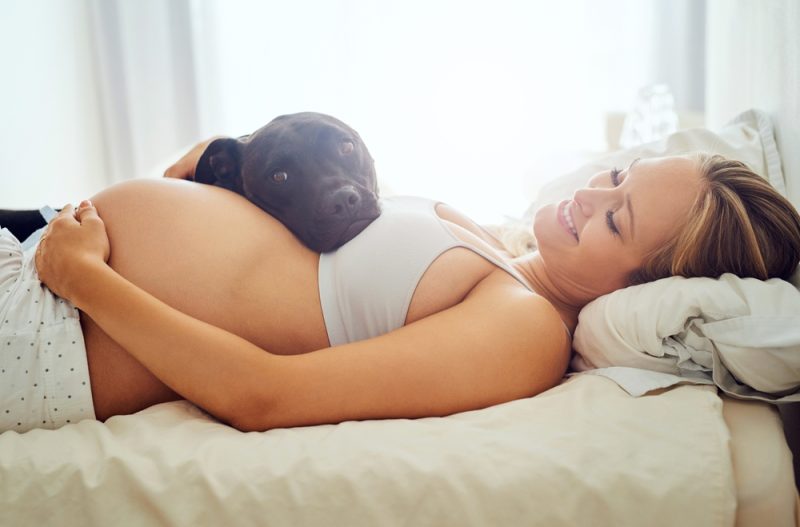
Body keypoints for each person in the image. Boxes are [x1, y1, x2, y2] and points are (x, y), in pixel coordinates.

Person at [4, 148, 799, 433]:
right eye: (617, 175)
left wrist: (87, 278)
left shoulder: (525, 332)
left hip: (56, 327)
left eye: (616, 219)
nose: (587, 196)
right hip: (47, 258)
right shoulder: (498, 246)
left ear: (643, 286)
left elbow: (265, 394)